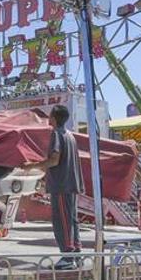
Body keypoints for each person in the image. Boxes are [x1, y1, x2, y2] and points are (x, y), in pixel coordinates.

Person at [21, 105, 83, 269]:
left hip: (61, 185)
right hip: (72, 183)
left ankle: (68, 257)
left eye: (50, 116)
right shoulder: (70, 136)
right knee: (72, 220)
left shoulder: (56, 134)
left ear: (54, 119)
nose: (48, 119)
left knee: (61, 220)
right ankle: (76, 254)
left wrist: (31, 166)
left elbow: (54, 160)